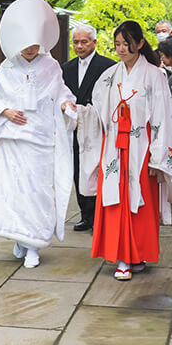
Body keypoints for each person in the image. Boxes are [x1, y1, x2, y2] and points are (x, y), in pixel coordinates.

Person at [78, 21, 172, 280]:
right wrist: (79, 114)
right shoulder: (110, 76)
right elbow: (98, 112)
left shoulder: (155, 75)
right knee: (116, 201)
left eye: (126, 43)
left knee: (140, 205)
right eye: (117, 44)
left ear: (140, 43)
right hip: (114, 149)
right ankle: (123, 258)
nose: (121, 49)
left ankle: (136, 254)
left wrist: (158, 156)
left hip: (142, 148)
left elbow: (164, 116)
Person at [0, 0, 77, 269]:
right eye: (26, 46)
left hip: (41, 139)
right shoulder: (7, 67)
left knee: (38, 192)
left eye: (34, 45)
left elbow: (61, 91)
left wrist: (67, 104)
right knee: (15, 192)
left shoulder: (50, 66)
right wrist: (5, 111)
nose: (30, 50)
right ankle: (21, 239)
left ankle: (34, 244)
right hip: (14, 140)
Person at [64, 23, 116, 231]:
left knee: (97, 169)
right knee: (78, 169)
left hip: (98, 126)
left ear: (94, 42)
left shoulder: (108, 66)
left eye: (84, 42)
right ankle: (85, 214)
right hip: (75, 125)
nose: (79, 46)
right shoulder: (66, 68)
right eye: (75, 42)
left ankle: (99, 214)